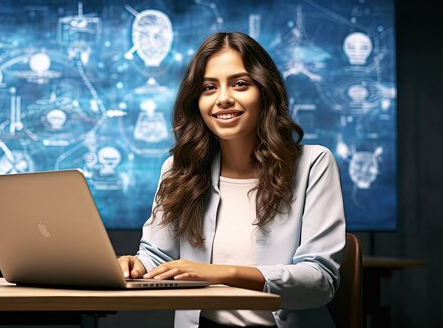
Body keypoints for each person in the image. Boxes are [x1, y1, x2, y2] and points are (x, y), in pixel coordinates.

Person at [118, 32, 346, 328]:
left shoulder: (313, 164)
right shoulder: (179, 168)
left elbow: (320, 280)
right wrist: (135, 266)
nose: (223, 99)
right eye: (209, 87)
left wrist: (220, 273)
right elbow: (156, 258)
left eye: (240, 84)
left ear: (264, 92)